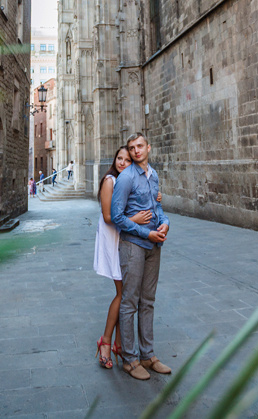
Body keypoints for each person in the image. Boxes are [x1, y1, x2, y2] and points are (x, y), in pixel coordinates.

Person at [111, 132, 171, 380]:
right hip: (133, 245)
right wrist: (146, 234)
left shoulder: (153, 175)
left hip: (154, 245)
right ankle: (130, 359)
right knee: (130, 303)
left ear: (149, 147)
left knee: (148, 300)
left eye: (139, 146)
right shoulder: (126, 178)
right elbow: (117, 217)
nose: (135, 151)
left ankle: (147, 355)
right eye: (131, 148)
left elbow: (157, 208)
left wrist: (166, 223)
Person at [94, 147, 154, 369]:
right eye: (119, 158)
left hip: (123, 237)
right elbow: (109, 217)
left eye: (127, 160)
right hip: (112, 239)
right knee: (122, 294)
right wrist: (135, 219)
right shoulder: (110, 180)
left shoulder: (126, 181)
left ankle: (119, 344)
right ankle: (106, 341)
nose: (122, 162)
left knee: (127, 293)